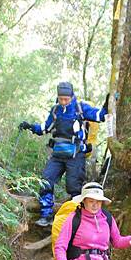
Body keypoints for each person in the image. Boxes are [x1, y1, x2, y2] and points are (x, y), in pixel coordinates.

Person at [19, 82, 109, 227]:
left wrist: (107, 103)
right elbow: (44, 128)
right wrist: (30, 126)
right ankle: (46, 215)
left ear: (71, 96)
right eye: (61, 99)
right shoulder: (55, 110)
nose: (63, 102)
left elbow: (99, 116)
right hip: (58, 154)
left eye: (66, 99)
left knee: (74, 187)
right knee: (46, 181)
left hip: (76, 154)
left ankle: (76, 220)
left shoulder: (80, 108)